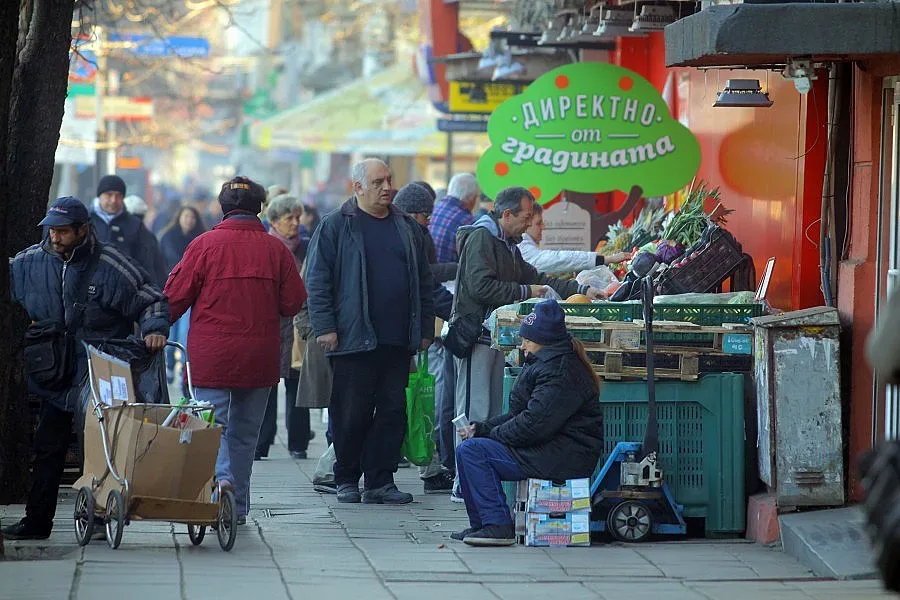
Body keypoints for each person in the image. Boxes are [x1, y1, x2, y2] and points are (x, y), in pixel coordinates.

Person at [2, 197, 169, 540]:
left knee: (98, 447)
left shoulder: (111, 263)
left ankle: (98, 516)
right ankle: (37, 523)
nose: (56, 238)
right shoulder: (31, 262)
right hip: (54, 372)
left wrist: (154, 329)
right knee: (48, 447)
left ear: (83, 230)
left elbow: (150, 298)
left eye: (63, 231)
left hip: (101, 371)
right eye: (52, 231)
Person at [164, 177, 307, 525]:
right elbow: (293, 303)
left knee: (213, 426)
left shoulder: (203, 245)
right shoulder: (276, 251)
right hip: (259, 357)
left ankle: (221, 480)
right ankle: (238, 507)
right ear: (260, 208)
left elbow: (173, 297)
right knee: (246, 433)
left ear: (223, 208)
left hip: (212, 356)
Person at [450, 186, 606, 502]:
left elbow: (538, 277)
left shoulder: (508, 244)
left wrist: (578, 288)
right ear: (506, 214)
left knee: (491, 406)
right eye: (524, 217)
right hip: (474, 337)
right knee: (473, 406)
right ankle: (462, 480)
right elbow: (481, 287)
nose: (528, 224)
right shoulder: (482, 238)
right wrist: (525, 292)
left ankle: (475, 477)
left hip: (492, 337)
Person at [305, 159, 434, 505]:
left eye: (389, 180)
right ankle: (346, 477)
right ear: (358, 187)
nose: (387, 187)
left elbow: (425, 281)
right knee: (351, 412)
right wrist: (326, 327)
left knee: (393, 411)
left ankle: (380, 480)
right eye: (378, 181)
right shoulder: (336, 225)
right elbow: (317, 280)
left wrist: (423, 329)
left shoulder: (406, 227)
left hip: (397, 339)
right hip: (352, 337)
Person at [452, 299, 604, 546]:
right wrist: (482, 428)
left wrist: (490, 436)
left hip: (562, 455)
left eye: (527, 340)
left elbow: (533, 425)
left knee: (473, 452)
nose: (522, 346)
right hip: (548, 448)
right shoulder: (545, 363)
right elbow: (519, 414)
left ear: (543, 341)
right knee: (468, 448)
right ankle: (481, 524)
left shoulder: (560, 372)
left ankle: (497, 525)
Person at [393, 183, 457, 495]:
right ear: (412, 214)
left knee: (414, 402)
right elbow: (427, 286)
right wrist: (455, 313)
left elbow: (427, 284)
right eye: (425, 216)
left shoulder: (409, 235)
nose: (429, 222)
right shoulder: (407, 238)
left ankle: (429, 468)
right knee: (396, 405)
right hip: (398, 335)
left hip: (406, 333)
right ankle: (331, 468)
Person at [255, 194, 313, 460]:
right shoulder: (265, 246)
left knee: (297, 383)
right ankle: (261, 441)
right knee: (266, 384)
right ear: (274, 221)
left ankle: (298, 442)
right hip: (271, 323)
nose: (295, 223)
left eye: (297, 217)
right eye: (289, 218)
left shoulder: (308, 246)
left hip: (300, 325)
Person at [158, 206, 207, 386]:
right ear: (179, 217)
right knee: (170, 331)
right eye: (186, 216)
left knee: (184, 333)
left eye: (192, 217)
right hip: (170, 290)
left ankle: (181, 370)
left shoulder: (201, 239)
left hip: (192, 293)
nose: (189, 220)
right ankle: (169, 365)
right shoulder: (167, 237)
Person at [90, 175, 168, 287]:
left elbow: (147, 263)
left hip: (124, 292)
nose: (113, 200)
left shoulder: (135, 225)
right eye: (109, 195)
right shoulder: (86, 221)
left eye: (118, 196)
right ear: (99, 196)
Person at [519, 201, 630, 275]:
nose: (544, 227)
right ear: (526, 222)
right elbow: (556, 259)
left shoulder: (524, 244)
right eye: (539, 223)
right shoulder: (522, 246)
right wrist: (606, 259)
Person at [430, 172, 479, 264]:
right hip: (450, 275)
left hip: (432, 272)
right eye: (476, 197)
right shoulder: (467, 221)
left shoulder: (436, 207)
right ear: (471, 198)